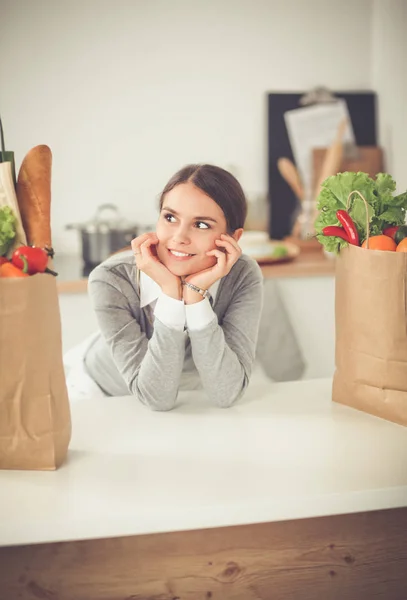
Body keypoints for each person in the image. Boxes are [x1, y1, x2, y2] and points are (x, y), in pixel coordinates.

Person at [83, 164, 264, 410]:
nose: (179, 237)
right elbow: (155, 398)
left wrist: (194, 297)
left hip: (187, 397)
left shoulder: (242, 275)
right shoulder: (110, 279)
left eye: (201, 225)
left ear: (233, 238)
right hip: (101, 395)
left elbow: (227, 394)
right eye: (170, 217)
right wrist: (170, 293)